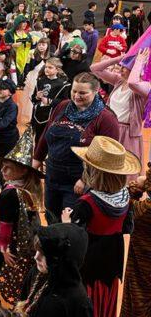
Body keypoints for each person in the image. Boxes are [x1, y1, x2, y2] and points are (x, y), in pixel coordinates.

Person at [62, 136, 140, 317]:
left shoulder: (87, 203)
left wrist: (65, 222)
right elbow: (126, 228)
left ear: (92, 170)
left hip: (88, 268)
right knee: (105, 316)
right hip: (112, 265)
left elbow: (73, 238)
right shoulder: (125, 198)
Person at [33, 72, 120, 218]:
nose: (76, 96)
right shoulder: (63, 106)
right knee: (51, 216)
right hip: (53, 174)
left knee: (70, 223)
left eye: (83, 93)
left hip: (78, 181)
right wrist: (35, 163)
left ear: (95, 91)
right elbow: (46, 134)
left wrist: (85, 179)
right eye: (74, 91)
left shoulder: (106, 118)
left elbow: (107, 156)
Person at [0, 126, 45, 305]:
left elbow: (5, 224)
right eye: (2, 167)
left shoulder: (10, 193)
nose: (3, 171)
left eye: (8, 168)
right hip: (20, 244)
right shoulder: (30, 190)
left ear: (23, 170)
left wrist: (2, 247)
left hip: (7, 244)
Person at [90, 49, 150, 178]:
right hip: (110, 127)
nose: (120, 69)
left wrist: (139, 61)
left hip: (127, 133)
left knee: (125, 170)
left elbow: (133, 83)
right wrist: (118, 59)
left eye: (125, 67)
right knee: (105, 166)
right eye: (121, 67)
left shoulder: (145, 86)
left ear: (135, 69)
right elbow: (94, 68)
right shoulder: (119, 81)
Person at [119, 162, 151, 317]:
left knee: (137, 289)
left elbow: (128, 203)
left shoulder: (145, 209)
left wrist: (136, 186)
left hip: (143, 257)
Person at [31, 58, 70, 144]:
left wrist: (50, 101)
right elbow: (33, 99)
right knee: (37, 139)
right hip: (37, 115)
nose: (46, 69)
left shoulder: (63, 84)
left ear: (57, 70)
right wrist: (37, 97)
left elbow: (65, 103)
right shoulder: (40, 81)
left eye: (50, 67)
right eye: (46, 67)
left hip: (52, 117)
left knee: (47, 141)